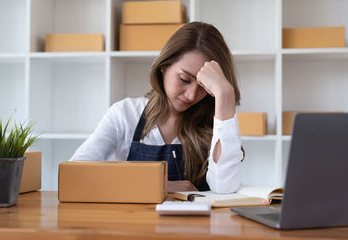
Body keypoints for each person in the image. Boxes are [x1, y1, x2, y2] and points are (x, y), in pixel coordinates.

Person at [70, 21, 244, 193]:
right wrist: (159, 185)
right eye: (184, 79)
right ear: (164, 66)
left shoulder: (219, 123)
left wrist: (225, 94)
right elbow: (75, 174)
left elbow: (225, 189)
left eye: (204, 87)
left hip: (196, 221)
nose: (191, 95)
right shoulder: (125, 114)